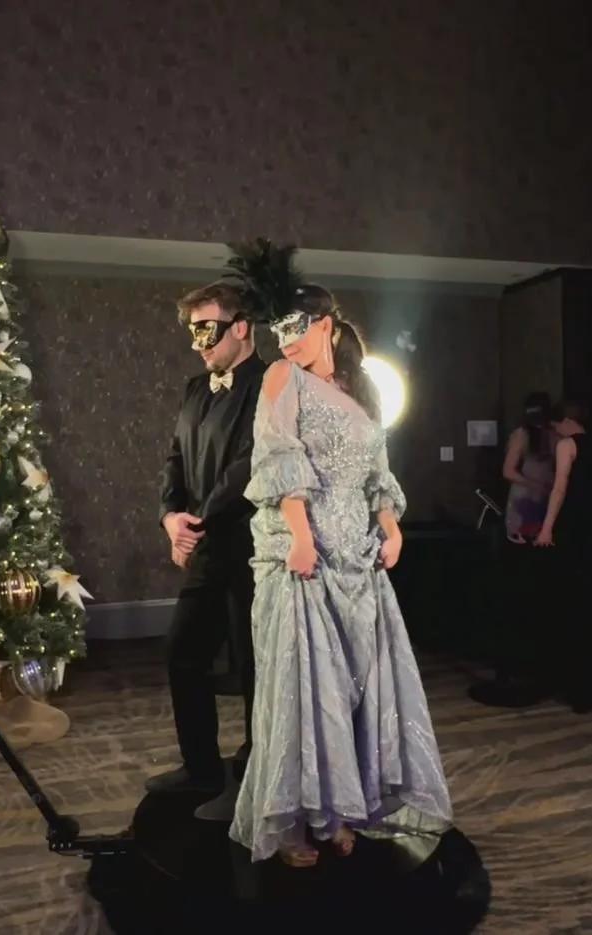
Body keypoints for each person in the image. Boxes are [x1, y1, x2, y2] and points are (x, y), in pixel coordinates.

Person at [223, 241, 453, 867]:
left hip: (358, 555)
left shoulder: (359, 389)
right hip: (305, 557)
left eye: (295, 328)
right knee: (304, 690)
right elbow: (278, 457)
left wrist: (391, 527)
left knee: (354, 688)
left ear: (325, 324)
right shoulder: (282, 378)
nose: (285, 341)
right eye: (277, 330)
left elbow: (377, 470)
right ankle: (298, 821)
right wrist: (300, 536)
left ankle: (340, 811)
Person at [151, 280, 266, 821]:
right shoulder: (195, 388)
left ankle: (256, 779)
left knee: (255, 668)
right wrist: (171, 516)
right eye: (193, 331)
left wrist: (196, 523)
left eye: (208, 330)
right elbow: (175, 458)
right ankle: (200, 767)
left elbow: (249, 464)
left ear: (240, 327)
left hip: (252, 550)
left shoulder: (270, 383)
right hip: (204, 547)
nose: (198, 342)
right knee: (183, 652)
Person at [535, 400, 592, 700]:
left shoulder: (568, 444)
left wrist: (546, 528)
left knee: (569, 598)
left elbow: (560, 487)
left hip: (574, 525)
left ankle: (567, 675)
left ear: (566, 422)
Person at [502, 393, 554, 543]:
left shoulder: (553, 434)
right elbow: (508, 471)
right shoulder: (521, 435)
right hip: (525, 499)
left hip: (548, 497)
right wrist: (537, 486)